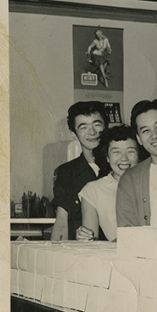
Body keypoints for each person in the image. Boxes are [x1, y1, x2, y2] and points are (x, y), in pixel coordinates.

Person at [51, 101, 107, 240]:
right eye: (83, 127)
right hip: (82, 254)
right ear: (74, 134)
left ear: (106, 126)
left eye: (97, 124)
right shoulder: (65, 172)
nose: (92, 132)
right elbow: (62, 222)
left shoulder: (120, 166)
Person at [116, 99, 157, 227]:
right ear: (139, 139)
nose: (155, 135)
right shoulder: (130, 180)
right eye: (145, 131)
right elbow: (128, 233)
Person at [76, 126, 139, 242]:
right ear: (107, 157)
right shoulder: (93, 190)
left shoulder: (151, 183)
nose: (124, 158)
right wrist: (84, 237)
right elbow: (90, 240)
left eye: (130, 151)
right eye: (116, 152)